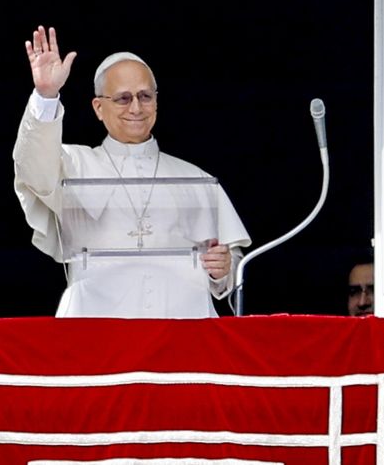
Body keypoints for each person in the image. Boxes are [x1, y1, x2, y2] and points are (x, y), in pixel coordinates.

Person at [13, 25, 251, 318]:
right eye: (124, 98)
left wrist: (223, 269)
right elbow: (32, 166)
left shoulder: (198, 180)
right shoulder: (72, 165)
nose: (136, 107)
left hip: (183, 331)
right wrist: (46, 96)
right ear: (99, 108)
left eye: (145, 96)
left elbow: (231, 265)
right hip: (95, 326)